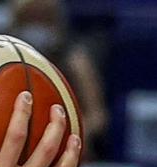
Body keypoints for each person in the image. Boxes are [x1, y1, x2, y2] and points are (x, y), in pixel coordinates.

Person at [9, 0, 109, 155]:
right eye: (31, 18)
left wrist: (71, 138)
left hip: (63, 146)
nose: (37, 25)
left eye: (44, 18)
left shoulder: (75, 60)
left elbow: (97, 117)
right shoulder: (2, 59)